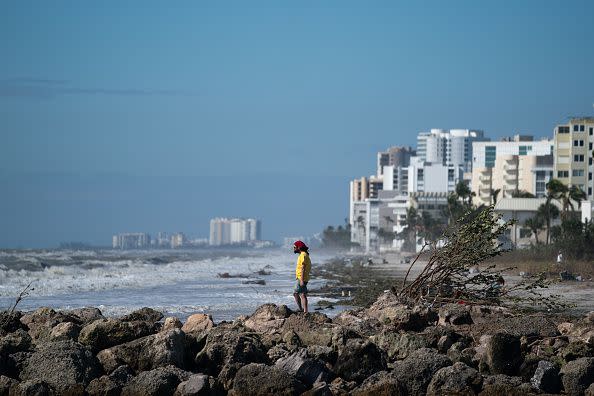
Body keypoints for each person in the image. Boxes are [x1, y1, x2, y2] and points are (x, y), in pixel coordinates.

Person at [293, 240, 311, 313]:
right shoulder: (303, 254)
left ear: (299, 247)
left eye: (294, 247)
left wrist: (301, 280)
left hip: (301, 278)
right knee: (302, 294)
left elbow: (303, 267)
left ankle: (303, 310)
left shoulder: (303, 255)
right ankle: (304, 311)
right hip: (302, 277)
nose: (293, 249)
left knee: (297, 293)